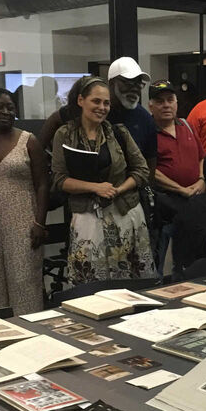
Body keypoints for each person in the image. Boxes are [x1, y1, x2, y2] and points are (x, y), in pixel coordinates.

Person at [50, 77, 155, 284]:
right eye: (96, 101)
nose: (102, 107)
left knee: (129, 282)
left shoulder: (118, 133)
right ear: (81, 100)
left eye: (106, 103)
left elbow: (142, 171)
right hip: (87, 217)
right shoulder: (65, 134)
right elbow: (59, 179)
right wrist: (95, 188)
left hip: (125, 213)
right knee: (90, 281)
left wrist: (119, 189)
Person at [0, 88, 48, 314]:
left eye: (10, 107)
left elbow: (43, 184)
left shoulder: (29, 141)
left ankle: (33, 337)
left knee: (24, 282)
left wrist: (39, 223)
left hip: (24, 225)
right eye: (0, 107)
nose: (6, 112)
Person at [147, 79, 205, 275]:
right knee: (161, 265)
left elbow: (201, 157)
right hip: (165, 209)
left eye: (170, 99)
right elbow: (148, 170)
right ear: (151, 106)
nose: (166, 105)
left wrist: (202, 180)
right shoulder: (148, 132)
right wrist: (180, 189)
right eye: (160, 101)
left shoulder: (187, 126)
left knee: (190, 262)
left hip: (193, 205)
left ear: (176, 102)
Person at [105, 56, 157, 170]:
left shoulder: (145, 119)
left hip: (134, 185)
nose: (135, 89)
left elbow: (150, 165)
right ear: (112, 83)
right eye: (128, 83)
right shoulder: (97, 114)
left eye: (139, 84)